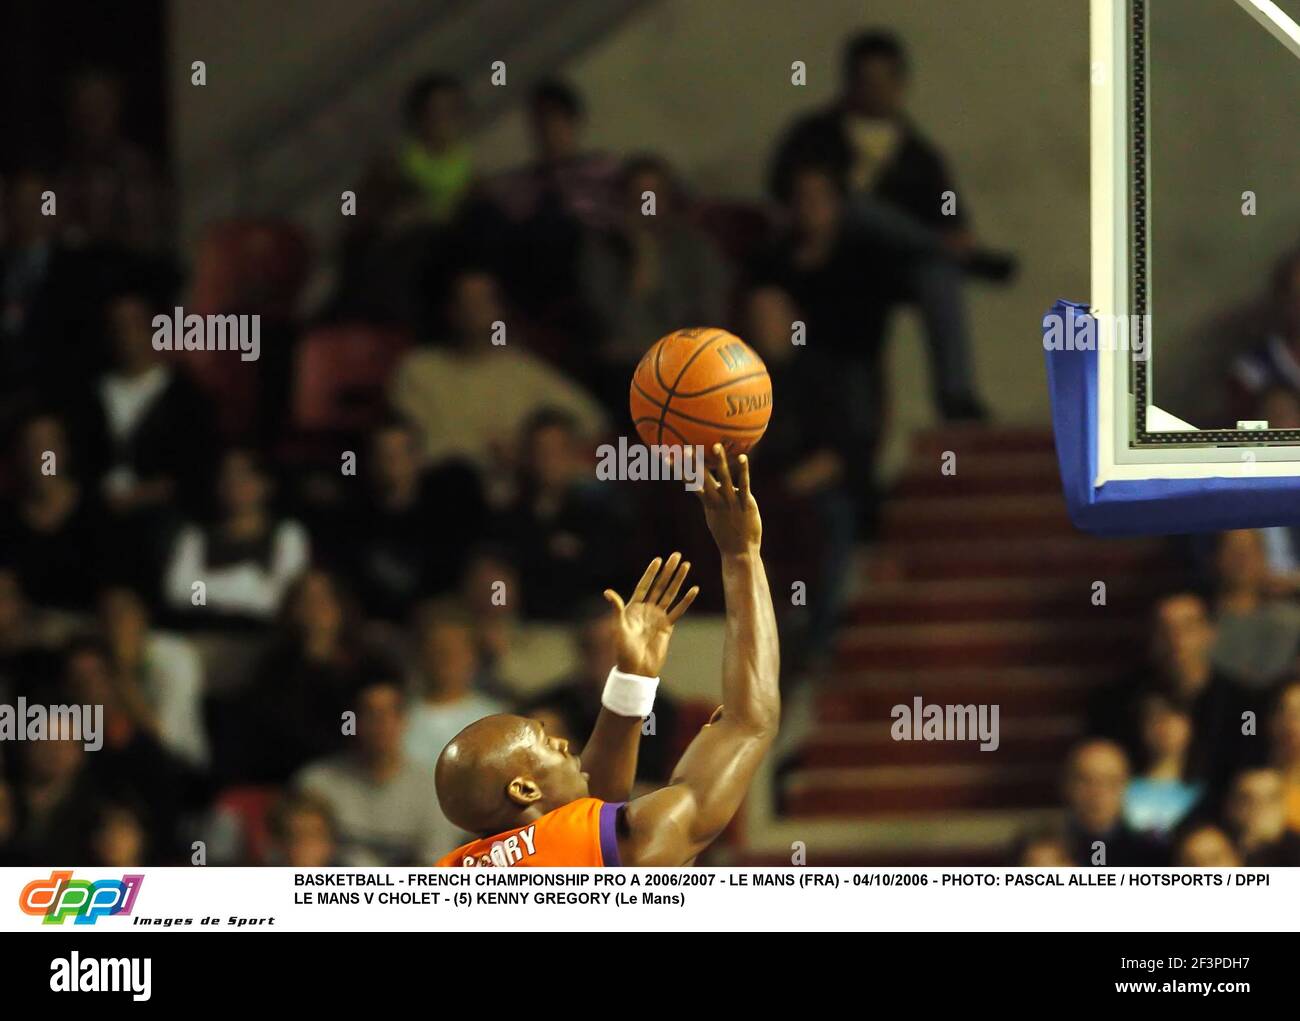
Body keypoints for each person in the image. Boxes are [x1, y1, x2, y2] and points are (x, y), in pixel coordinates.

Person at [436, 449, 778, 867]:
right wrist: (742, 556)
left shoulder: (450, 870)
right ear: (524, 789)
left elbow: (587, 810)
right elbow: (749, 722)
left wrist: (633, 679)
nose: (563, 743)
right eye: (546, 742)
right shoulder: (631, 843)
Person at [768, 30, 1013, 420]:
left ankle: (956, 396)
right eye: (867, 82)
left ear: (900, 84)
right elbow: (786, 197)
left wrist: (951, 238)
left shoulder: (918, 154)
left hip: (889, 267)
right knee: (859, 208)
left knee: (939, 275)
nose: (876, 92)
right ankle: (961, 257)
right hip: (830, 255)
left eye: (884, 82)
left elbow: (951, 215)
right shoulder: (813, 136)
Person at [388, 267, 606, 475]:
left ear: (499, 309)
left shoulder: (521, 368)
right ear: (451, 311)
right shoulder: (418, 369)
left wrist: (528, 452)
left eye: (483, 301)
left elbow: (590, 420)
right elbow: (410, 447)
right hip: (441, 490)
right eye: (466, 302)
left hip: (510, 496)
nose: (475, 310)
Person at [294, 679, 456, 865]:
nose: (380, 723)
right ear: (353, 723)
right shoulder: (317, 784)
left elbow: (437, 866)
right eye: (370, 714)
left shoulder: (431, 788)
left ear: (403, 721)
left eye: (389, 713)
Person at [525, 598, 682, 787]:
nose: (606, 657)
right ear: (581, 650)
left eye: (613, 647)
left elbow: (651, 779)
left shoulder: (657, 709)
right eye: (594, 647)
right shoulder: (550, 706)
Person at [163, 448, 309, 626]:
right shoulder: (196, 535)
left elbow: (282, 600)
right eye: (227, 476)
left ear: (265, 484)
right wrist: (245, 581)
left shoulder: (287, 533)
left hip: (263, 638)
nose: (234, 484)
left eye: (243, 475)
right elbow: (180, 594)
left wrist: (205, 583)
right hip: (204, 633)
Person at [403, 602, 503, 770]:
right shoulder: (399, 718)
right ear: (421, 655)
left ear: (473, 656)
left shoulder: (495, 720)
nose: (448, 660)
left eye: (456, 650)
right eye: (439, 650)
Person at [1208, 529, 1300, 689]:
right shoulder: (1198, 619)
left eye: (1251, 550)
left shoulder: (1289, 619)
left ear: (1263, 557)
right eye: (1234, 550)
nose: (1242, 559)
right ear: (1217, 557)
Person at [1061, 739, 1167, 866]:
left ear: (1127, 786)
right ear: (1067, 785)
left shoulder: (1154, 851)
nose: (1098, 792)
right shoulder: (1046, 847)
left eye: (1110, 782)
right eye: (1086, 781)